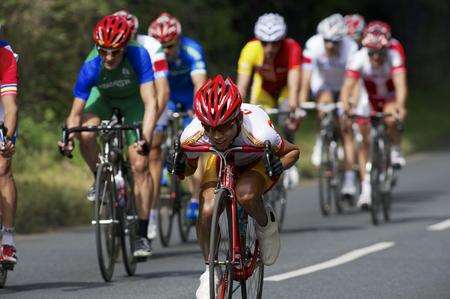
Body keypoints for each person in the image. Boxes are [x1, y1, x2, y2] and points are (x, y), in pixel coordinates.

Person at [168, 75, 299, 298]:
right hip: (220, 159)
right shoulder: (192, 135)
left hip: (254, 159)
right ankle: (211, 269)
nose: (217, 135)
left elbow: (292, 152)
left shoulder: (259, 133)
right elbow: (188, 171)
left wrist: (279, 165)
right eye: (210, 129)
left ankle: (265, 224)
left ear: (237, 119)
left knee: (246, 195)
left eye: (224, 128)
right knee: (208, 209)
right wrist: (179, 166)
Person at [58, 15, 159, 257]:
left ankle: (142, 235)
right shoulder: (91, 65)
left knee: (140, 164)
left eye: (115, 52)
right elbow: (75, 113)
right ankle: (100, 177)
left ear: (124, 47)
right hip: (102, 100)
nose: (109, 58)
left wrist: (144, 138)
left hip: (134, 103)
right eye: (104, 51)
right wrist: (69, 137)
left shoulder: (138, 55)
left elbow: (151, 102)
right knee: (86, 133)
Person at [113, 10, 170, 241]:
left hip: (149, 99)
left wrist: (151, 123)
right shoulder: (110, 47)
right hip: (119, 98)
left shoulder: (150, 46)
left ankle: (151, 213)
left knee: (151, 152)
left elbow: (162, 91)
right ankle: (112, 176)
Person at [340, 21, 408, 207]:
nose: (376, 57)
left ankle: (394, 148)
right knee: (364, 142)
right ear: (366, 49)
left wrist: (400, 106)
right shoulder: (359, 58)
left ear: (387, 49)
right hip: (367, 97)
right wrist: (347, 107)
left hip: (389, 96)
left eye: (380, 53)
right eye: (372, 53)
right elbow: (347, 88)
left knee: (391, 115)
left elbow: (401, 86)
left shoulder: (394, 55)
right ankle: (366, 190)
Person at [149, 12, 207, 222]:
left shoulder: (192, 49)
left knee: (191, 145)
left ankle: (194, 198)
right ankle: (164, 166)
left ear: (179, 40)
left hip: (190, 99)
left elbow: (200, 83)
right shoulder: (150, 53)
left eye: (170, 46)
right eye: (161, 47)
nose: (165, 51)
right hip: (166, 99)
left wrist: (197, 109)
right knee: (156, 139)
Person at [236, 12, 301, 185]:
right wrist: (236, 109)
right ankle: (260, 160)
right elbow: (242, 86)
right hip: (263, 88)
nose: (270, 48)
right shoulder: (250, 49)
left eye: (275, 43)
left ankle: (289, 159)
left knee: (288, 114)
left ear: (282, 40)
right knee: (260, 120)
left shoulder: (292, 47)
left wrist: (293, 107)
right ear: (258, 40)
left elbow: (294, 83)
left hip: (285, 87)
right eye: (264, 43)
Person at [299, 13, 359, 197]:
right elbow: (306, 76)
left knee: (345, 128)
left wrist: (351, 104)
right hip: (323, 83)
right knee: (324, 103)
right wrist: (301, 101)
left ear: (342, 40)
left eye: (335, 42)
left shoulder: (351, 48)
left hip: (344, 85)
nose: (330, 45)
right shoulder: (313, 45)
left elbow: (354, 81)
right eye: (327, 41)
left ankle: (349, 181)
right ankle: (321, 140)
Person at [0, 38, 19, 265]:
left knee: (3, 166)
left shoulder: (5, 56)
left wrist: (7, 138)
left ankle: (7, 239)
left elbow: (11, 107)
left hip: (2, 110)